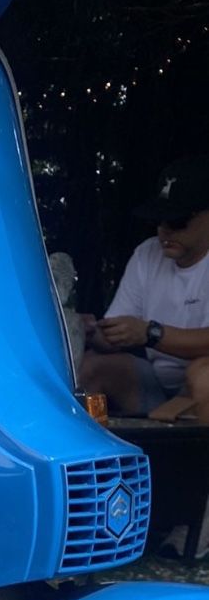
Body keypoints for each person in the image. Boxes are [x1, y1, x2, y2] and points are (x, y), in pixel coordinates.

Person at [79, 155, 209, 422]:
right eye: (159, 220)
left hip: (200, 381)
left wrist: (151, 333)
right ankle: (85, 458)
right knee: (91, 366)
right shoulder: (147, 254)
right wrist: (91, 331)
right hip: (156, 383)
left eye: (177, 221)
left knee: (202, 375)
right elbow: (115, 336)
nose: (164, 231)